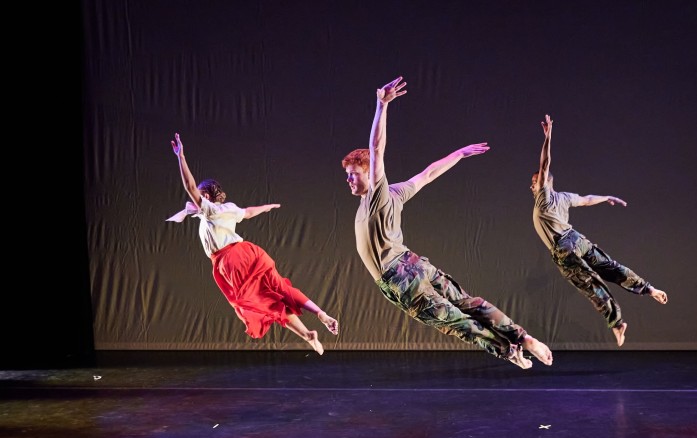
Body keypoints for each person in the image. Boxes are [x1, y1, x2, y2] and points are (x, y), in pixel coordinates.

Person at [341, 76, 552, 369]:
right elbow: (427, 174)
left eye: (354, 174)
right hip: (413, 264)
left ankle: (509, 349)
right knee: (466, 303)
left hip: (399, 277)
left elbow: (377, 149)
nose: (349, 180)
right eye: (347, 175)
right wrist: (459, 154)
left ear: (369, 173)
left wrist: (382, 106)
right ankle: (523, 338)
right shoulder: (395, 193)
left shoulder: (379, 194)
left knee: (453, 319)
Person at [167, 133, 339, 354]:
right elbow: (248, 212)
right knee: (280, 288)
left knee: (261, 303)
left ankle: (308, 332)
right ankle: (317, 319)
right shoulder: (228, 208)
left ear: (206, 197)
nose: (195, 200)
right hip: (250, 252)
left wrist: (181, 157)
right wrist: (267, 207)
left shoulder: (209, 210)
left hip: (230, 261)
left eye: (199, 196)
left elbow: (190, 187)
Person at [530, 114, 668, 347]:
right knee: (610, 267)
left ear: (544, 182)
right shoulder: (564, 197)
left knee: (590, 283)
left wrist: (548, 137)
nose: (531, 186)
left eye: (534, 182)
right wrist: (606, 197)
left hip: (564, 248)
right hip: (577, 239)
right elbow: (586, 200)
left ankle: (617, 323)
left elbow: (545, 163)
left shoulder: (544, 196)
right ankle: (649, 289)